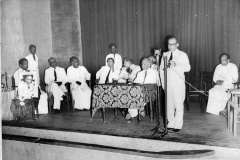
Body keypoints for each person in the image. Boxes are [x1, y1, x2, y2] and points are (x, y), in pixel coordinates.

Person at [160, 36, 191, 132]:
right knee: (169, 105)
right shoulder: (165, 55)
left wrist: (176, 65)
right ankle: (171, 123)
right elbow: (161, 70)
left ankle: (178, 124)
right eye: (169, 44)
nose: (171, 46)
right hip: (168, 83)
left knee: (178, 104)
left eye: (173, 44)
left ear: (177, 44)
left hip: (178, 83)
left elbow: (188, 68)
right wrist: (163, 84)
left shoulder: (182, 55)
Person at [25, 44, 40, 114]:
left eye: (35, 49)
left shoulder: (36, 57)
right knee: (31, 93)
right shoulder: (27, 57)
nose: (34, 50)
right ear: (30, 50)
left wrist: (38, 78)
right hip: (31, 76)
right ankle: (30, 110)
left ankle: (35, 109)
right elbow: (26, 68)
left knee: (36, 93)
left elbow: (37, 69)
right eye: (32, 49)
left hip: (36, 76)